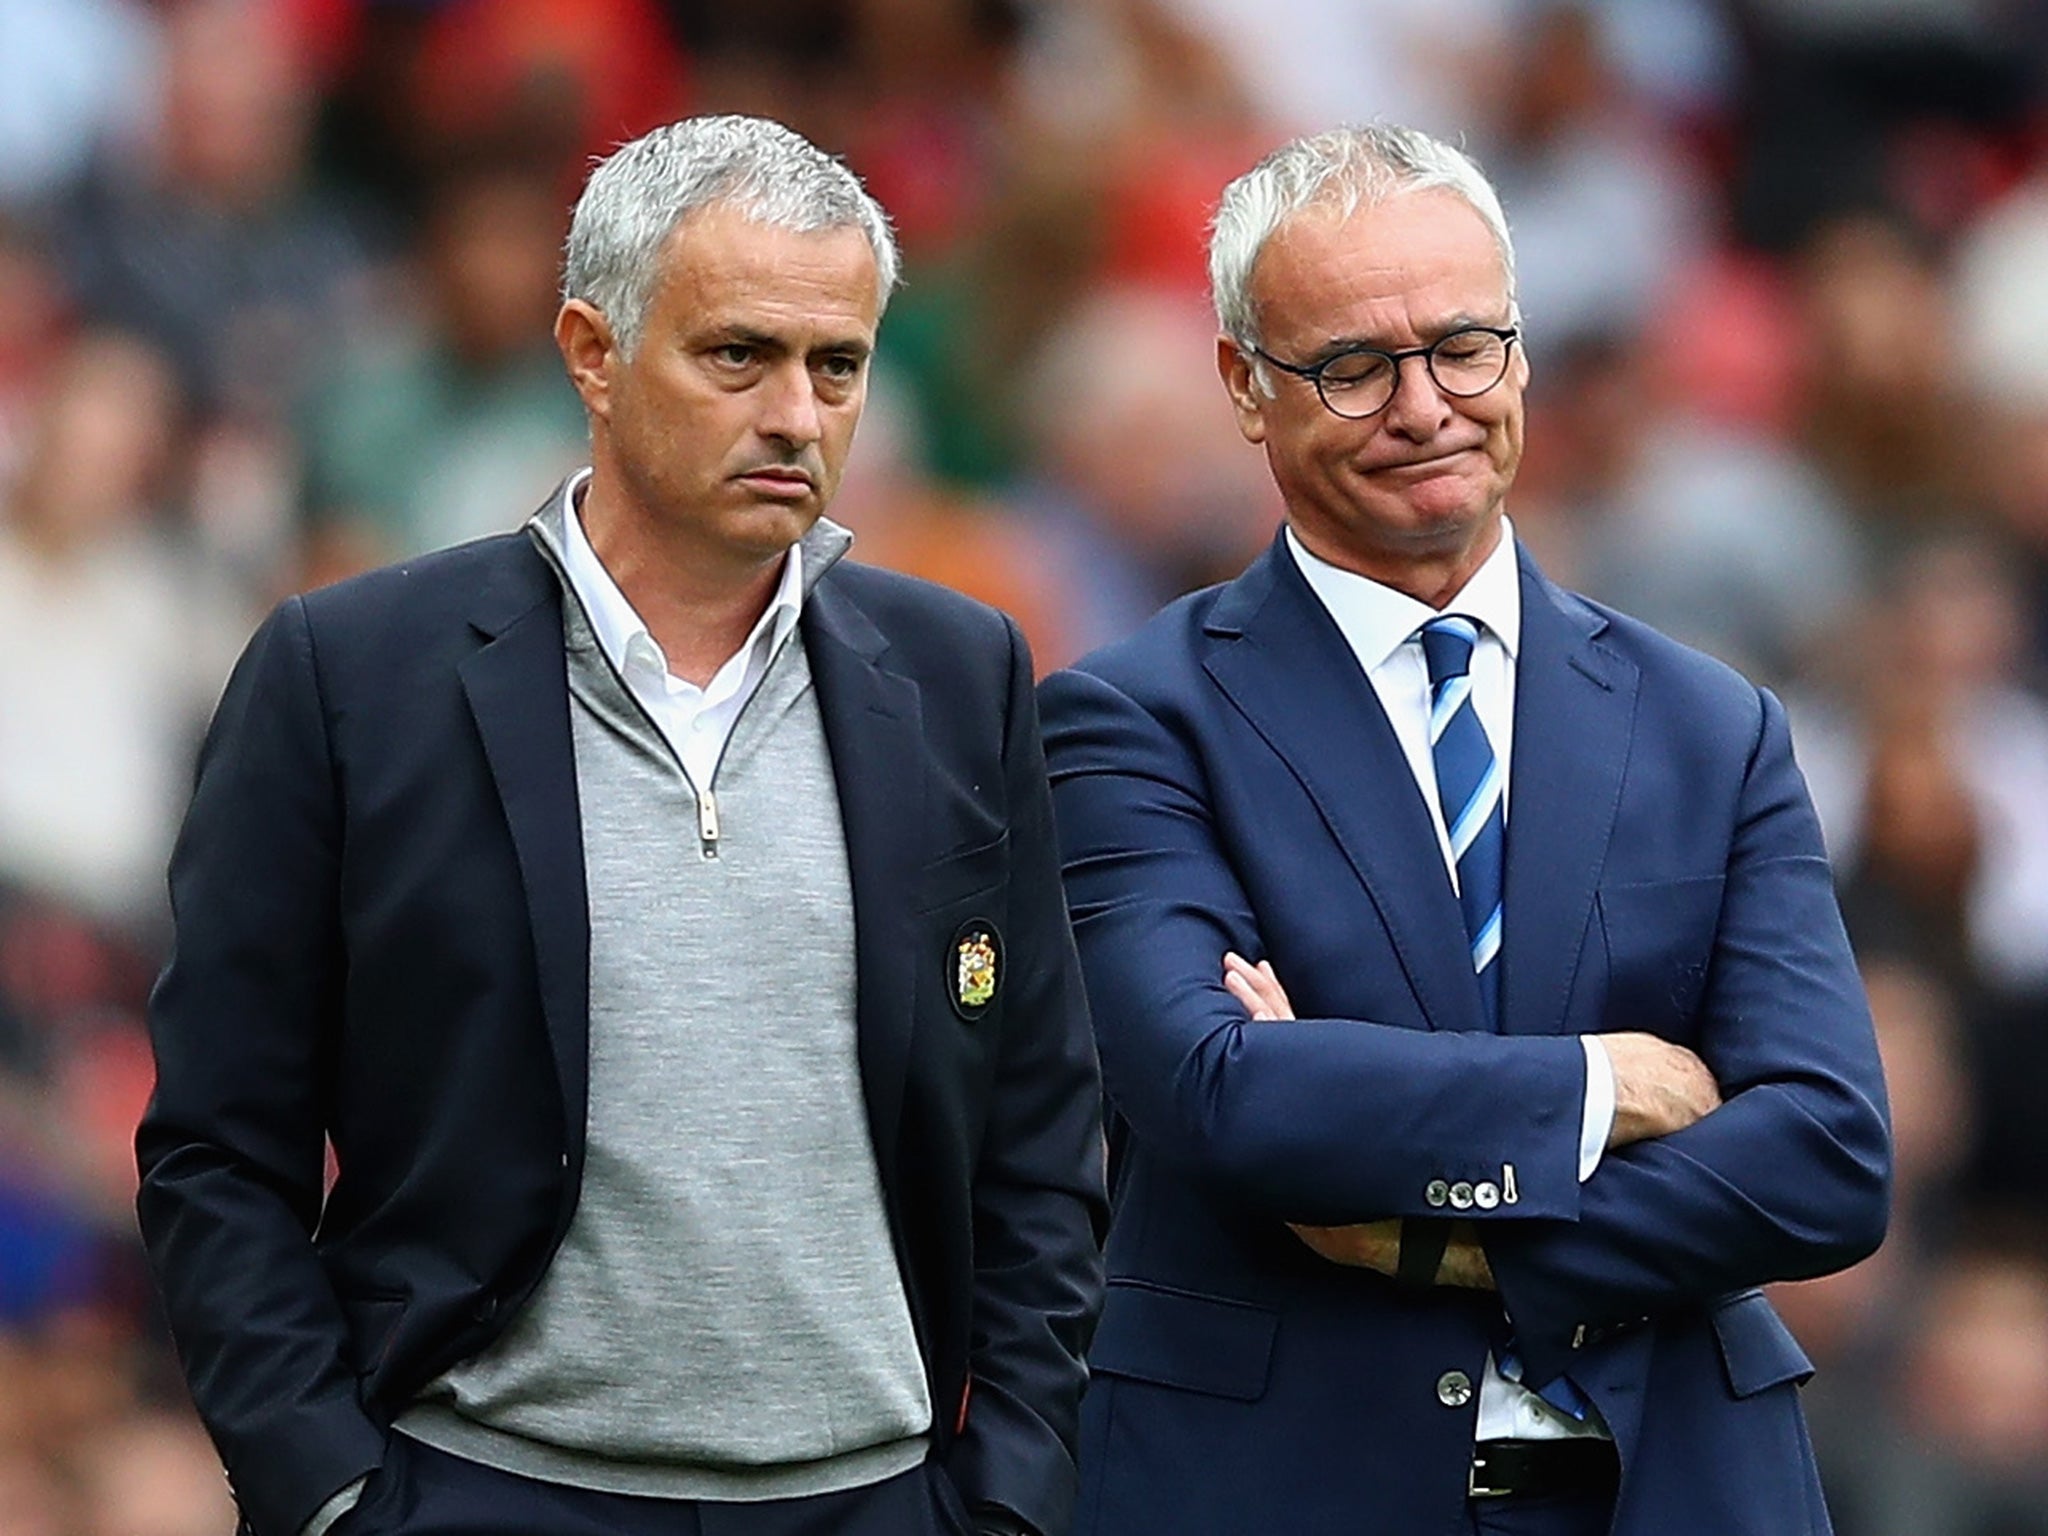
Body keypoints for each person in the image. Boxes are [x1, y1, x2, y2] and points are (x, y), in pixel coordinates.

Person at [135, 115, 1106, 1536]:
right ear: (592, 351)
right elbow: (220, 1147)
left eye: (838, 364)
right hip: (479, 1489)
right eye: (740, 355)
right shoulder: (349, 674)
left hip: (878, 1501)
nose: (797, 414)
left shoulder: (963, 676)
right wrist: (330, 1494)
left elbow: (1040, 1133)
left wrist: (1006, 1494)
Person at [1038, 124, 1889, 1536]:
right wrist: (1601, 1093)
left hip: (1675, 1483)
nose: (1424, 405)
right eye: (1355, 367)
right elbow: (1224, 1097)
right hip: (1292, 1486)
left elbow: (1828, 1158)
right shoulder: (1130, 720)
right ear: (1246, 388)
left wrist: (1449, 1246)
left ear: (1524, 353)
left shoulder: (1711, 723)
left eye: (1464, 346)